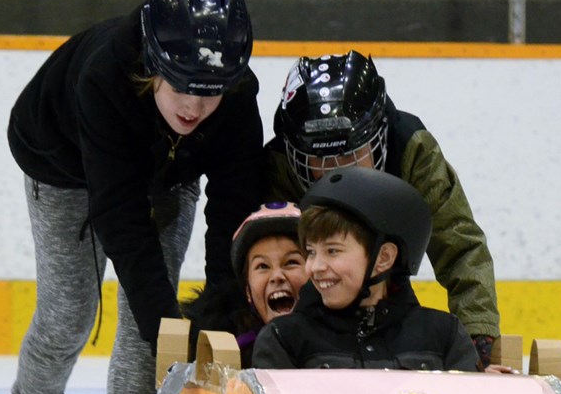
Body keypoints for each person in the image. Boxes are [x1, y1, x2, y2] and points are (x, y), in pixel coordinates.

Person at [0, 0, 266, 394]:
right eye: (182, 85)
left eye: (211, 90)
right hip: (63, 161)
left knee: (156, 327)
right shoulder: (105, 76)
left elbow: (236, 212)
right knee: (71, 311)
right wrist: (163, 320)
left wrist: (224, 308)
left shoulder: (236, 98)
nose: (196, 105)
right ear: (151, 65)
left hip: (170, 170)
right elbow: (119, 215)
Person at [264, 50, 500, 366]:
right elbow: (261, 263)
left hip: (386, 285)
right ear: (294, 154)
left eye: (350, 156)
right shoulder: (278, 164)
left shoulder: (411, 148)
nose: (338, 172)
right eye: (319, 161)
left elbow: (459, 245)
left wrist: (478, 343)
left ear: (380, 137)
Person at [252, 167, 480, 371]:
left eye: (332, 251)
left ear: (384, 257)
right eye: (311, 252)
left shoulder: (443, 335)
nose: (315, 267)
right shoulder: (284, 338)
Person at [182, 202, 307, 367]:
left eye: (291, 262)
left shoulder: (345, 340)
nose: (277, 276)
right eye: (262, 266)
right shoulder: (229, 361)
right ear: (248, 292)